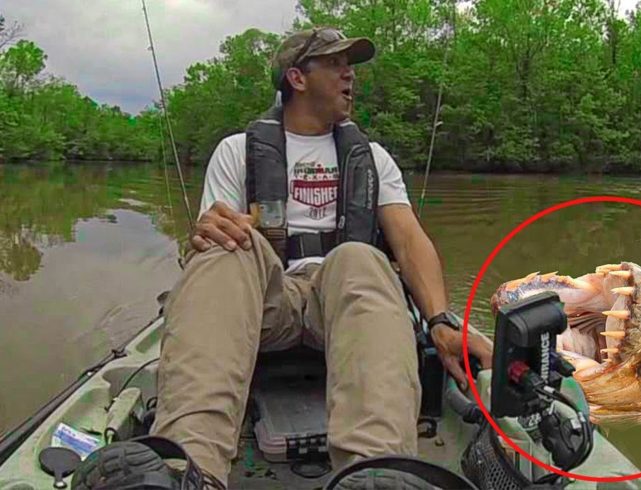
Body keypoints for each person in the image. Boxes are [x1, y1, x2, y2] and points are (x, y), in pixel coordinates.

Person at [72, 27, 492, 490]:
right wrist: (208, 230)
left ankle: (377, 473)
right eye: (335, 63)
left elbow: (410, 242)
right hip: (268, 303)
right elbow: (217, 242)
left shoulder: (372, 157)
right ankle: (186, 469)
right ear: (297, 77)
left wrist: (440, 319)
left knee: (361, 257)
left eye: (349, 64)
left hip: (344, 303)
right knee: (223, 250)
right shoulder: (237, 151)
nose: (349, 73)